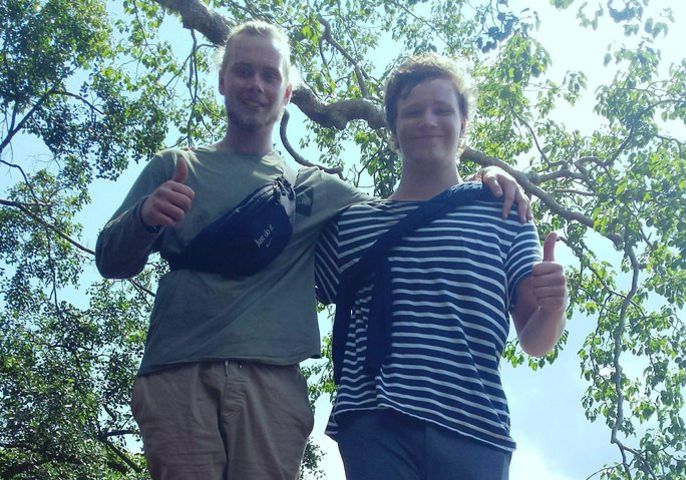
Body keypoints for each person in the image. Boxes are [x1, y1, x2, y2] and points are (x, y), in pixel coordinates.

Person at [96, 20, 531, 480]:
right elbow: (111, 259)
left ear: (287, 93)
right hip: (177, 371)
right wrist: (145, 217)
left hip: (272, 383)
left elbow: (407, 212)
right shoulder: (176, 166)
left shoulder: (317, 190)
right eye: (244, 71)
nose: (256, 85)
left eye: (270, 75)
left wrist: (483, 183)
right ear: (222, 80)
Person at [315, 53, 568, 480]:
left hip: (476, 427)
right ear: (393, 130)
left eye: (442, 110)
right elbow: (280, 281)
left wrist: (554, 308)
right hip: (376, 421)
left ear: (464, 124)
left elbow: (535, 340)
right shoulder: (353, 225)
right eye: (412, 112)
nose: (427, 121)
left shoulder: (505, 214)